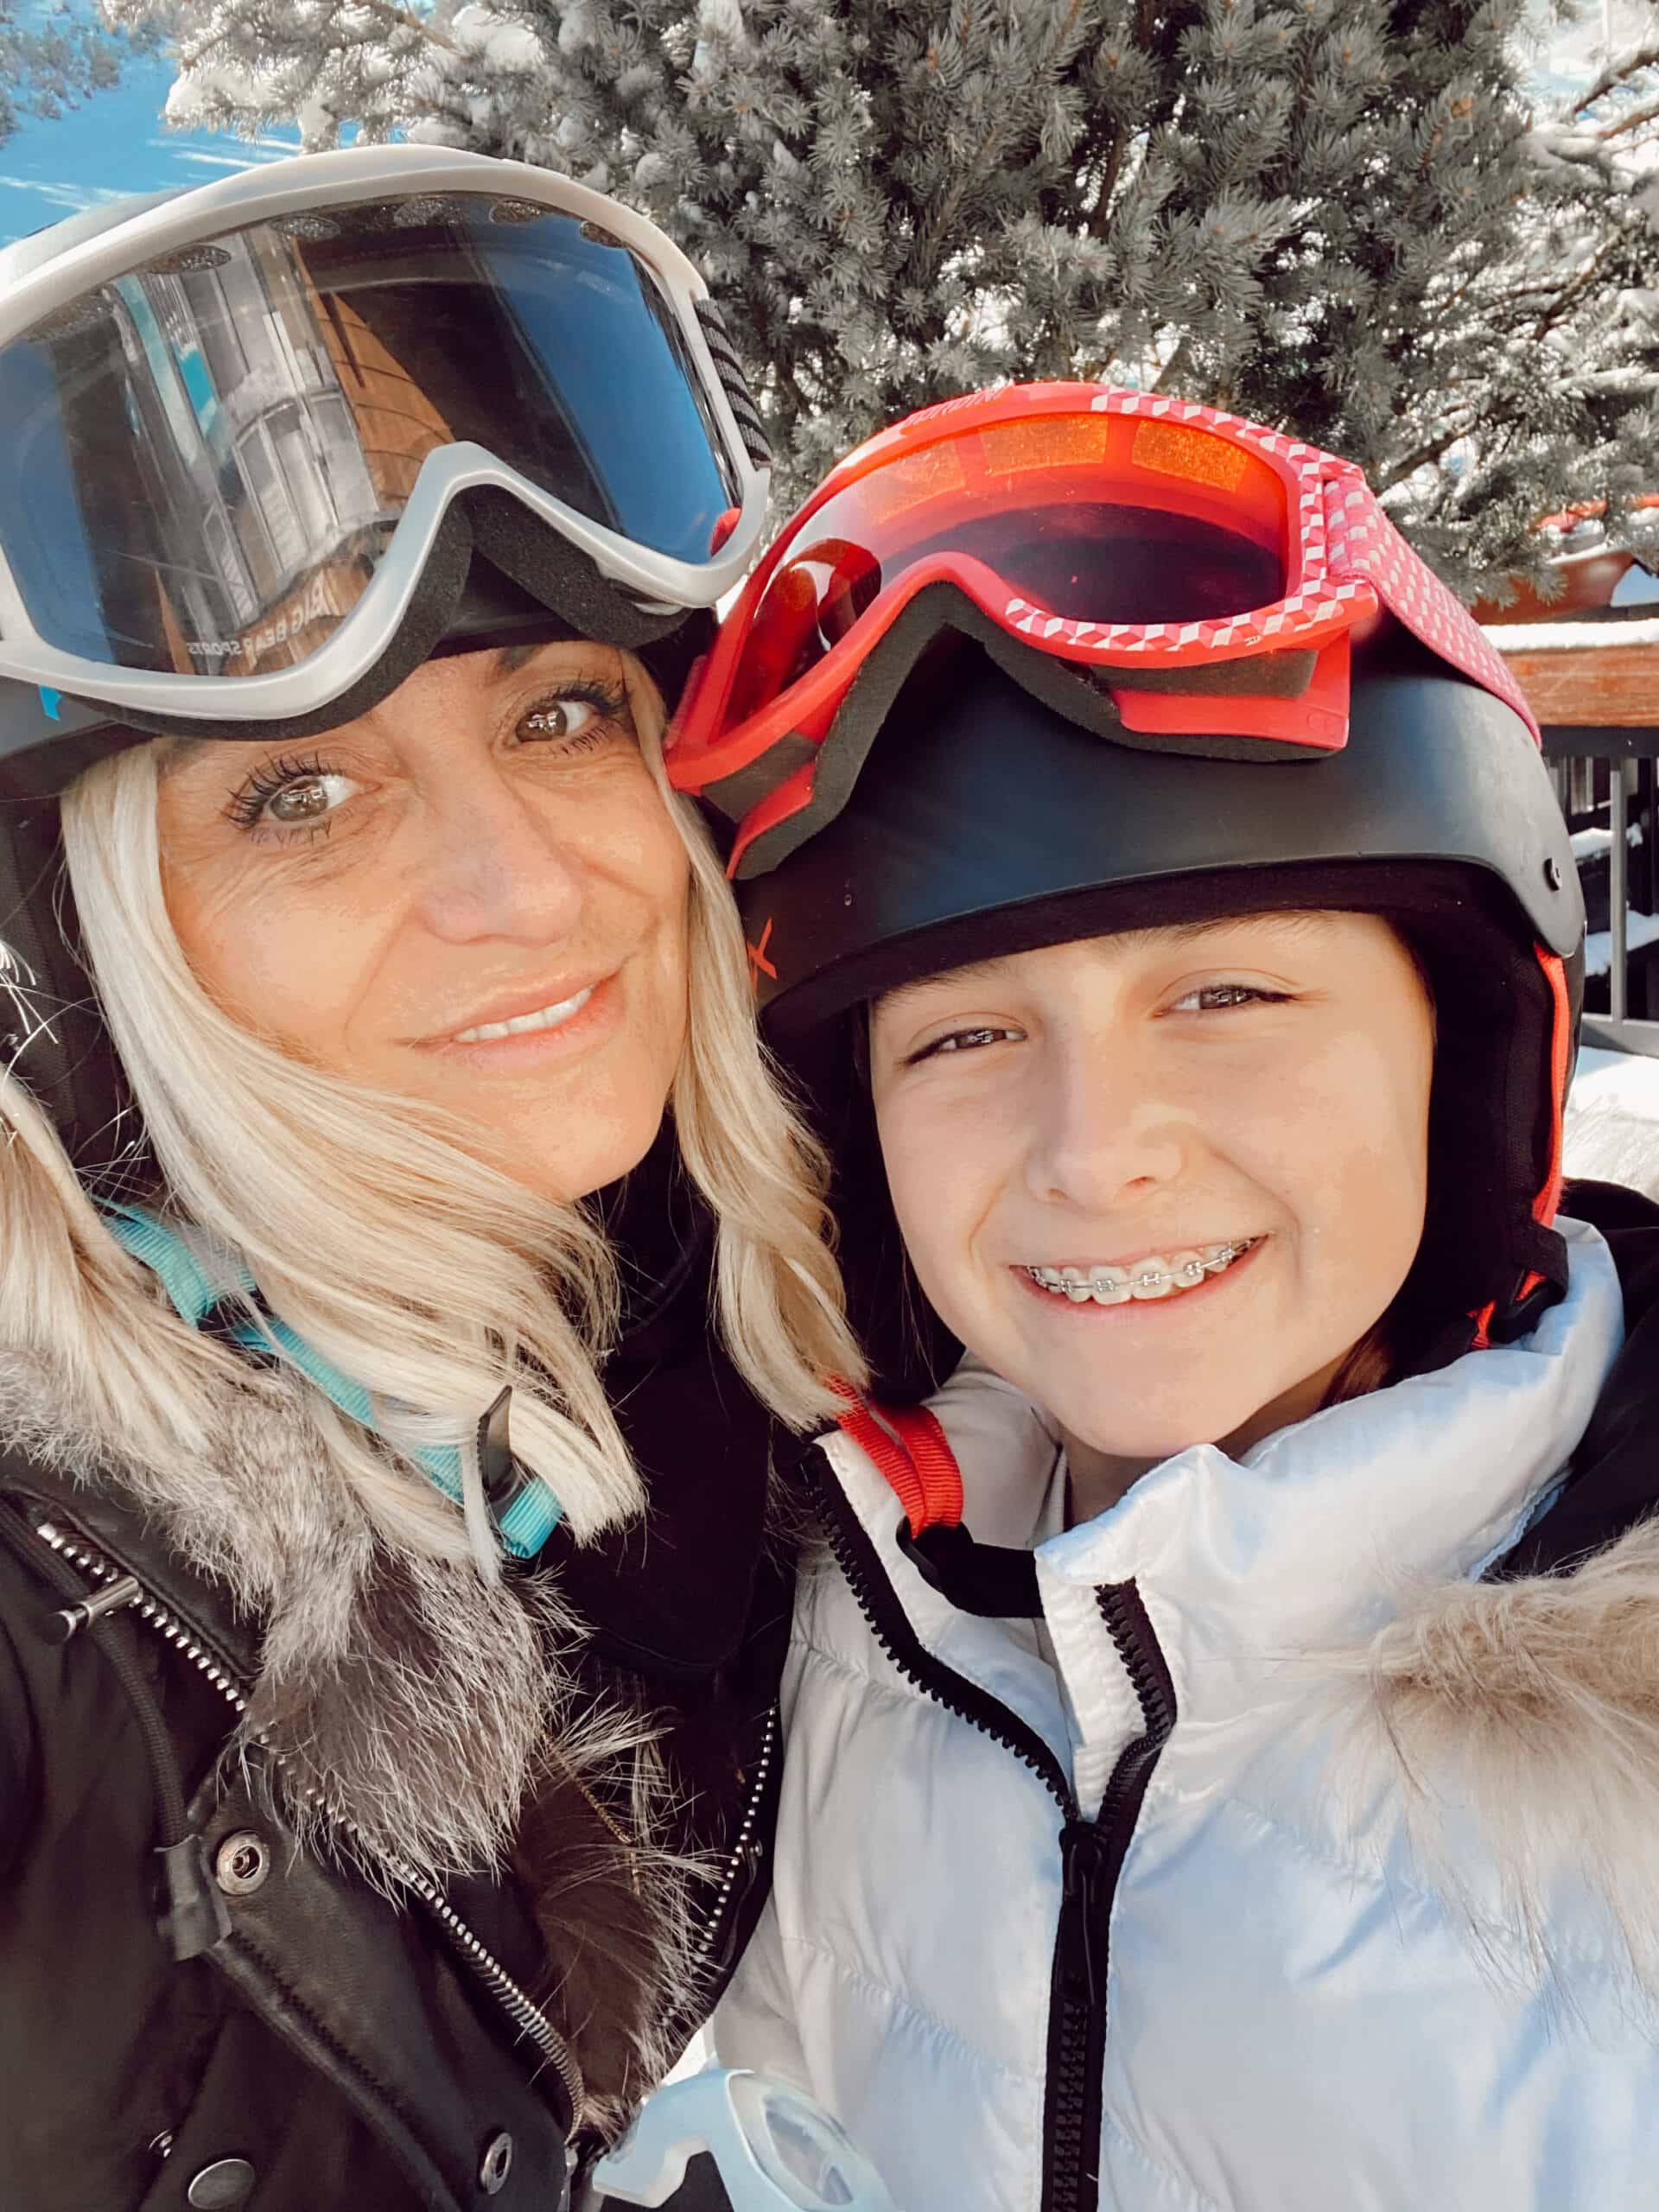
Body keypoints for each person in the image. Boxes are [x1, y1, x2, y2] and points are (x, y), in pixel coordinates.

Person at [667, 385, 1659, 2210]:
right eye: (965, 1033)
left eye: (1228, 997)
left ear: (1466, 1057)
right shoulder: (853, 1621)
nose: (1094, 1152)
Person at [0, 145, 864, 2210]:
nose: (516, 891)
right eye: (298, 794)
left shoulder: (734, 1300)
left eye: (563, 711)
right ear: (74, 952)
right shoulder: (62, 1608)